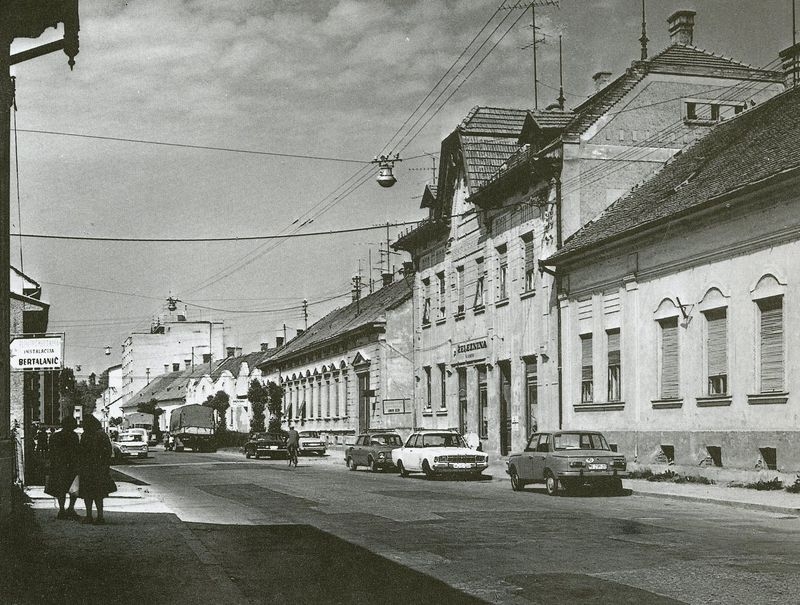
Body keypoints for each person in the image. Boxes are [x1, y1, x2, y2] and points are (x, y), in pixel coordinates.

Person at [78, 415, 116, 525]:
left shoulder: (91, 435)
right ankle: (98, 516)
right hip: (96, 468)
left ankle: (91, 516)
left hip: (91, 468)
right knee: (97, 494)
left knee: (89, 494)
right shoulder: (100, 435)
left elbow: (82, 451)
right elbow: (108, 451)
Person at [44, 416, 80, 520]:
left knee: (61, 489)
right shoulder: (74, 436)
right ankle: (70, 508)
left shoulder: (55, 436)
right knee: (73, 489)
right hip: (71, 466)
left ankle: (62, 510)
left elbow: (51, 451)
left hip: (59, 466)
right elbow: (76, 451)